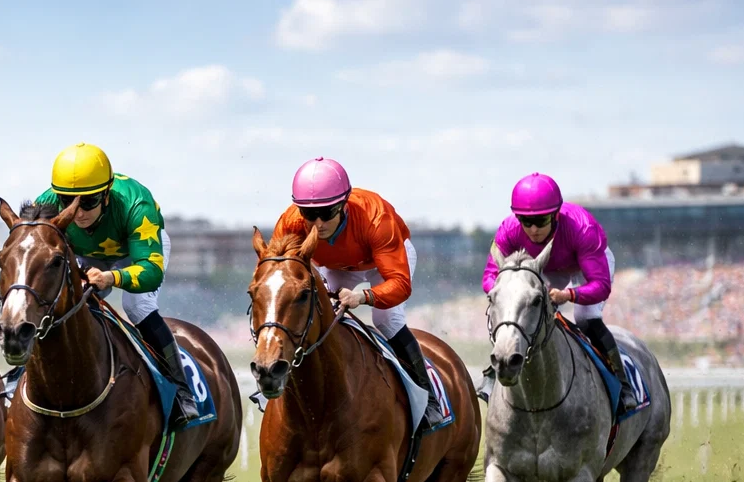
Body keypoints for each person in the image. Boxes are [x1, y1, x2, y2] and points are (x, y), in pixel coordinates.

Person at [33, 143, 201, 428]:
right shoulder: (46, 204)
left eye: (88, 201)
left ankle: (181, 389)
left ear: (107, 195)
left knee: (137, 305)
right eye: (68, 201)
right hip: (85, 254)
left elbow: (151, 272)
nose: (79, 212)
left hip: (134, 253)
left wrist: (112, 277)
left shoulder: (137, 203)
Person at [273, 156, 444, 428]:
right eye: (309, 214)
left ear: (343, 204)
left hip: (383, 261)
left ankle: (430, 399)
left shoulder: (376, 218)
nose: (317, 223)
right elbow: (280, 275)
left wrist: (363, 297)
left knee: (386, 320)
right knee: (316, 316)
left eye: (327, 213)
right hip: (335, 266)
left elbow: (400, 285)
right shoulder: (290, 223)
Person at [482, 172, 638, 412]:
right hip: (546, 266)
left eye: (541, 221)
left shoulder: (582, 228)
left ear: (555, 214)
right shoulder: (509, 230)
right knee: (516, 313)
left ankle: (622, 383)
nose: (533, 229)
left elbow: (600, 285)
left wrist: (568, 295)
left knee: (586, 318)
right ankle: (495, 370)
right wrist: (504, 294)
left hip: (587, 265)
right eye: (526, 220)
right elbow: (490, 276)